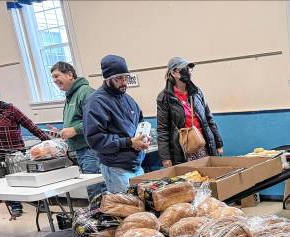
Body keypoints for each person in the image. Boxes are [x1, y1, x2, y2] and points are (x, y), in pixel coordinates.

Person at [83, 55, 149, 193]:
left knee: (143, 209)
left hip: (136, 165)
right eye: (118, 79)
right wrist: (129, 142)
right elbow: (96, 140)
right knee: (126, 211)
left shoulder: (128, 100)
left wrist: (144, 138)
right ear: (107, 78)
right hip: (116, 169)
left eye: (125, 78)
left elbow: (140, 123)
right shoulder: (96, 102)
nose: (124, 82)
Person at [0, 86, 50, 217]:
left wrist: (47, 140)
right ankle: (16, 207)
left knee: (24, 180)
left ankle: (40, 204)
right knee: (4, 182)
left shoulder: (10, 109)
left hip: (15, 152)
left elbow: (29, 125)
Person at [50, 61, 105, 199]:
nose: (54, 80)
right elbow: (79, 121)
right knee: (93, 189)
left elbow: (98, 119)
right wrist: (62, 131)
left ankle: (101, 219)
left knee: (96, 190)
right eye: (53, 78)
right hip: (82, 150)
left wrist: (75, 129)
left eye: (57, 76)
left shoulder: (85, 92)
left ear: (69, 75)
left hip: (90, 150)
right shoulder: (70, 96)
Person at [157, 57, 223, 167]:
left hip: (204, 143)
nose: (189, 72)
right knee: (192, 180)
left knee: (211, 176)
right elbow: (162, 129)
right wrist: (166, 157)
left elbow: (208, 119)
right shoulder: (164, 97)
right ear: (174, 72)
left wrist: (218, 144)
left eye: (189, 69)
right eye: (184, 69)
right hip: (184, 148)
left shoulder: (197, 92)